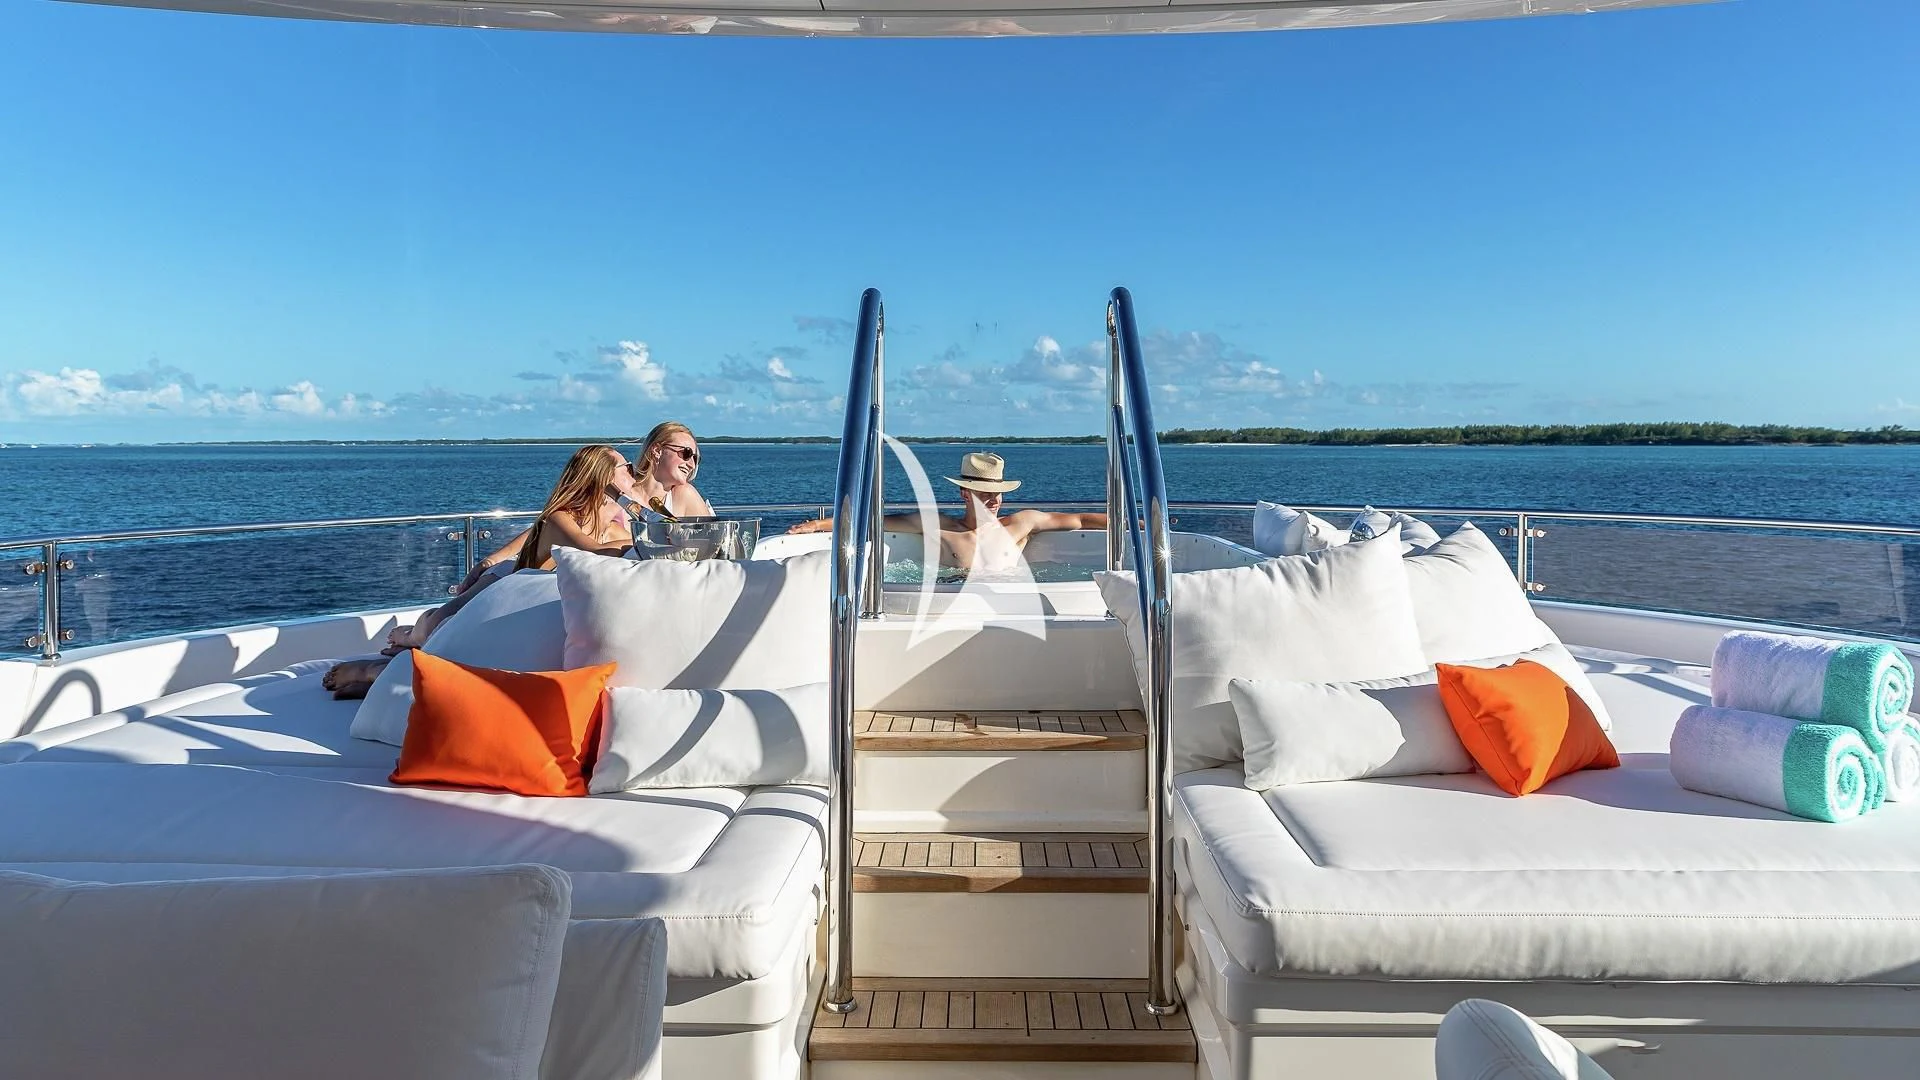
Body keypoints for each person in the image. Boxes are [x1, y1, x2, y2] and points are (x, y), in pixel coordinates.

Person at [320, 444, 639, 699]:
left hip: (520, 601)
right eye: (625, 467)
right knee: (434, 629)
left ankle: (392, 661)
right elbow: (585, 548)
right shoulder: (563, 519)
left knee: (444, 641)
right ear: (603, 477)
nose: (633, 471)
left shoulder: (613, 528)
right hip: (502, 587)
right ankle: (389, 654)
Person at [786, 451, 1106, 573]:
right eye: (985, 494)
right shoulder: (939, 526)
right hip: (953, 598)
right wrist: (819, 525)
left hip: (1008, 598)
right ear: (965, 493)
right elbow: (874, 524)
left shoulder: (1021, 524)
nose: (994, 500)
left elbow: (1080, 519)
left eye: (998, 494)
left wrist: (1141, 523)